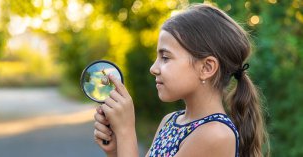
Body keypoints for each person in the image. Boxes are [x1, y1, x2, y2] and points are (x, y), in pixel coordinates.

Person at [93, 3, 269, 157]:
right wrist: (116, 150)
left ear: (206, 68)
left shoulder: (215, 135)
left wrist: (126, 131)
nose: (153, 68)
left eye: (166, 57)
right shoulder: (170, 121)